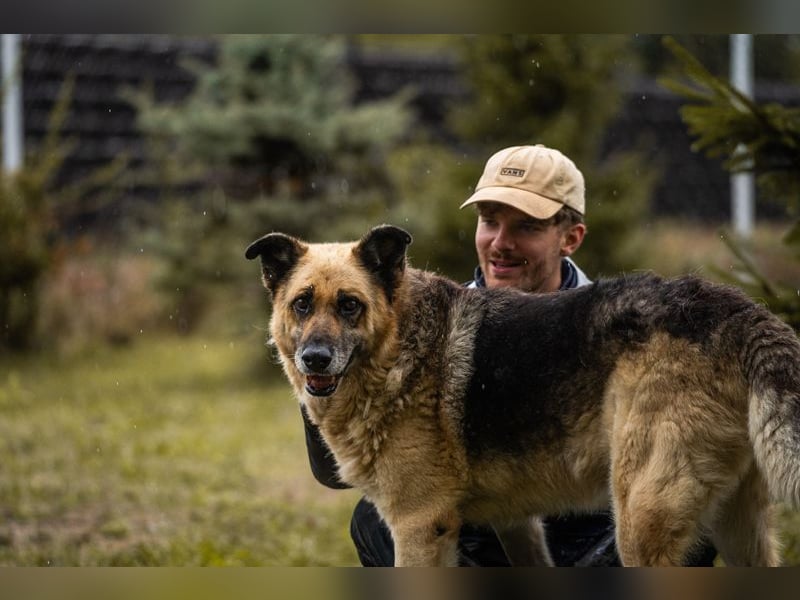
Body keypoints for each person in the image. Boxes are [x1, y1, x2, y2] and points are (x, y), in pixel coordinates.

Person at [301, 144, 716, 566]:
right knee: (375, 520)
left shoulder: (622, 326)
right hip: (482, 527)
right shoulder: (426, 324)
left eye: (526, 227)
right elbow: (340, 472)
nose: (501, 243)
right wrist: (328, 378)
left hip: (597, 518)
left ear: (570, 237)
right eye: (490, 221)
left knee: (684, 507)